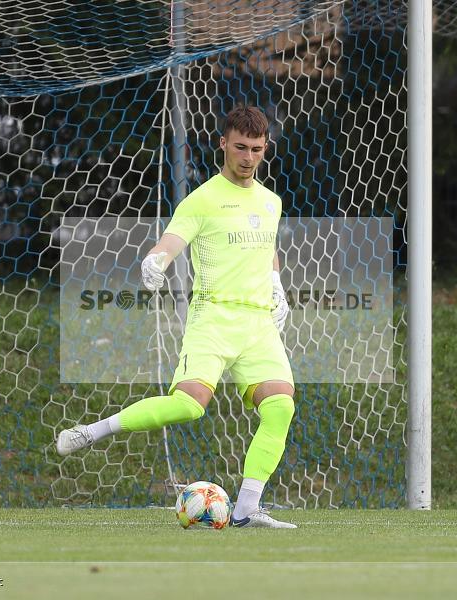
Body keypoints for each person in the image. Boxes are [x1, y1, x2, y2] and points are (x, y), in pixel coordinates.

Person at [57, 105, 296, 528]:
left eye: (256, 149)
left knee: (279, 407)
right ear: (223, 144)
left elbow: (265, 249)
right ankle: (94, 431)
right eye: (240, 147)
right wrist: (157, 260)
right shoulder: (202, 199)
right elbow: (171, 239)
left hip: (258, 325)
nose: (248, 157)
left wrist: (277, 284)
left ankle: (246, 509)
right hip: (213, 319)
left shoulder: (270, 201)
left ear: (265, 149)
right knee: (189, 406)